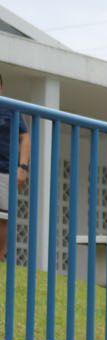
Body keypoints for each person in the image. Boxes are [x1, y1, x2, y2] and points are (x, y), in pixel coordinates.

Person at [0, 73, 32, 262]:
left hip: (5, 169)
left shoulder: (11, 109)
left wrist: (22, 167)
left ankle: (0, 259)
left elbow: (25, 137)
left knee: (3, 218)